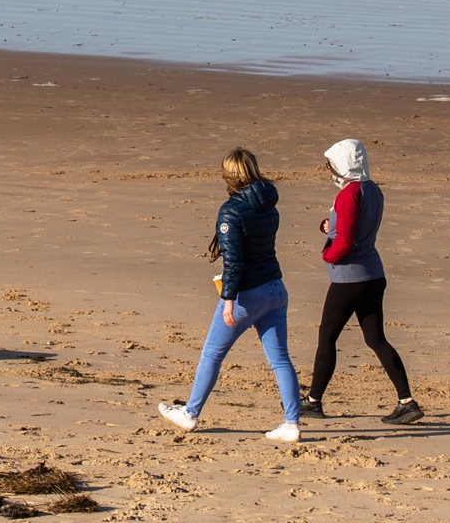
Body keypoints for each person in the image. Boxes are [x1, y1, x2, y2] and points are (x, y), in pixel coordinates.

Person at [158, 147, 302, 441]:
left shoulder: (231, 210)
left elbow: (234, 261)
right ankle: (291, 423)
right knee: (280, 359)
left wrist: (228, 300)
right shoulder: (269, 204)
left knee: (212, 353)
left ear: (230, 176)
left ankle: (190, 413)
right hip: (275, 288)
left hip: (247, 295)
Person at [304, 137, 422, 425]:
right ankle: (407, 401)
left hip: (349, 279)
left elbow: (346, 241)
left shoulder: (348, 195)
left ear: (342, 167)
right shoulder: (373, 190)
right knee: (376, 339)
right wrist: (328, 224)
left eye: (332, 166)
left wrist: (328, 255)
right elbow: (354, 225)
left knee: (327, 338)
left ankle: (313, 401)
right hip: (373, 275)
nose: (330, 172)